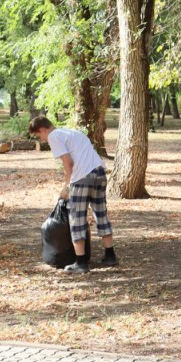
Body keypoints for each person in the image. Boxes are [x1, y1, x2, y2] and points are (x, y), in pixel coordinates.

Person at [29, 116, 119, 273]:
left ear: (43, 130)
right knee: (101, 214)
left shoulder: (53, 136)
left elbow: (68, 163)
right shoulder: (72, 133)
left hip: (81, 178)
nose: (42, 139)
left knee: (76, 218)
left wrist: (67, 188)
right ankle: (110, 255)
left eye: (39, 136)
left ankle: (81, 263)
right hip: (99, 173)